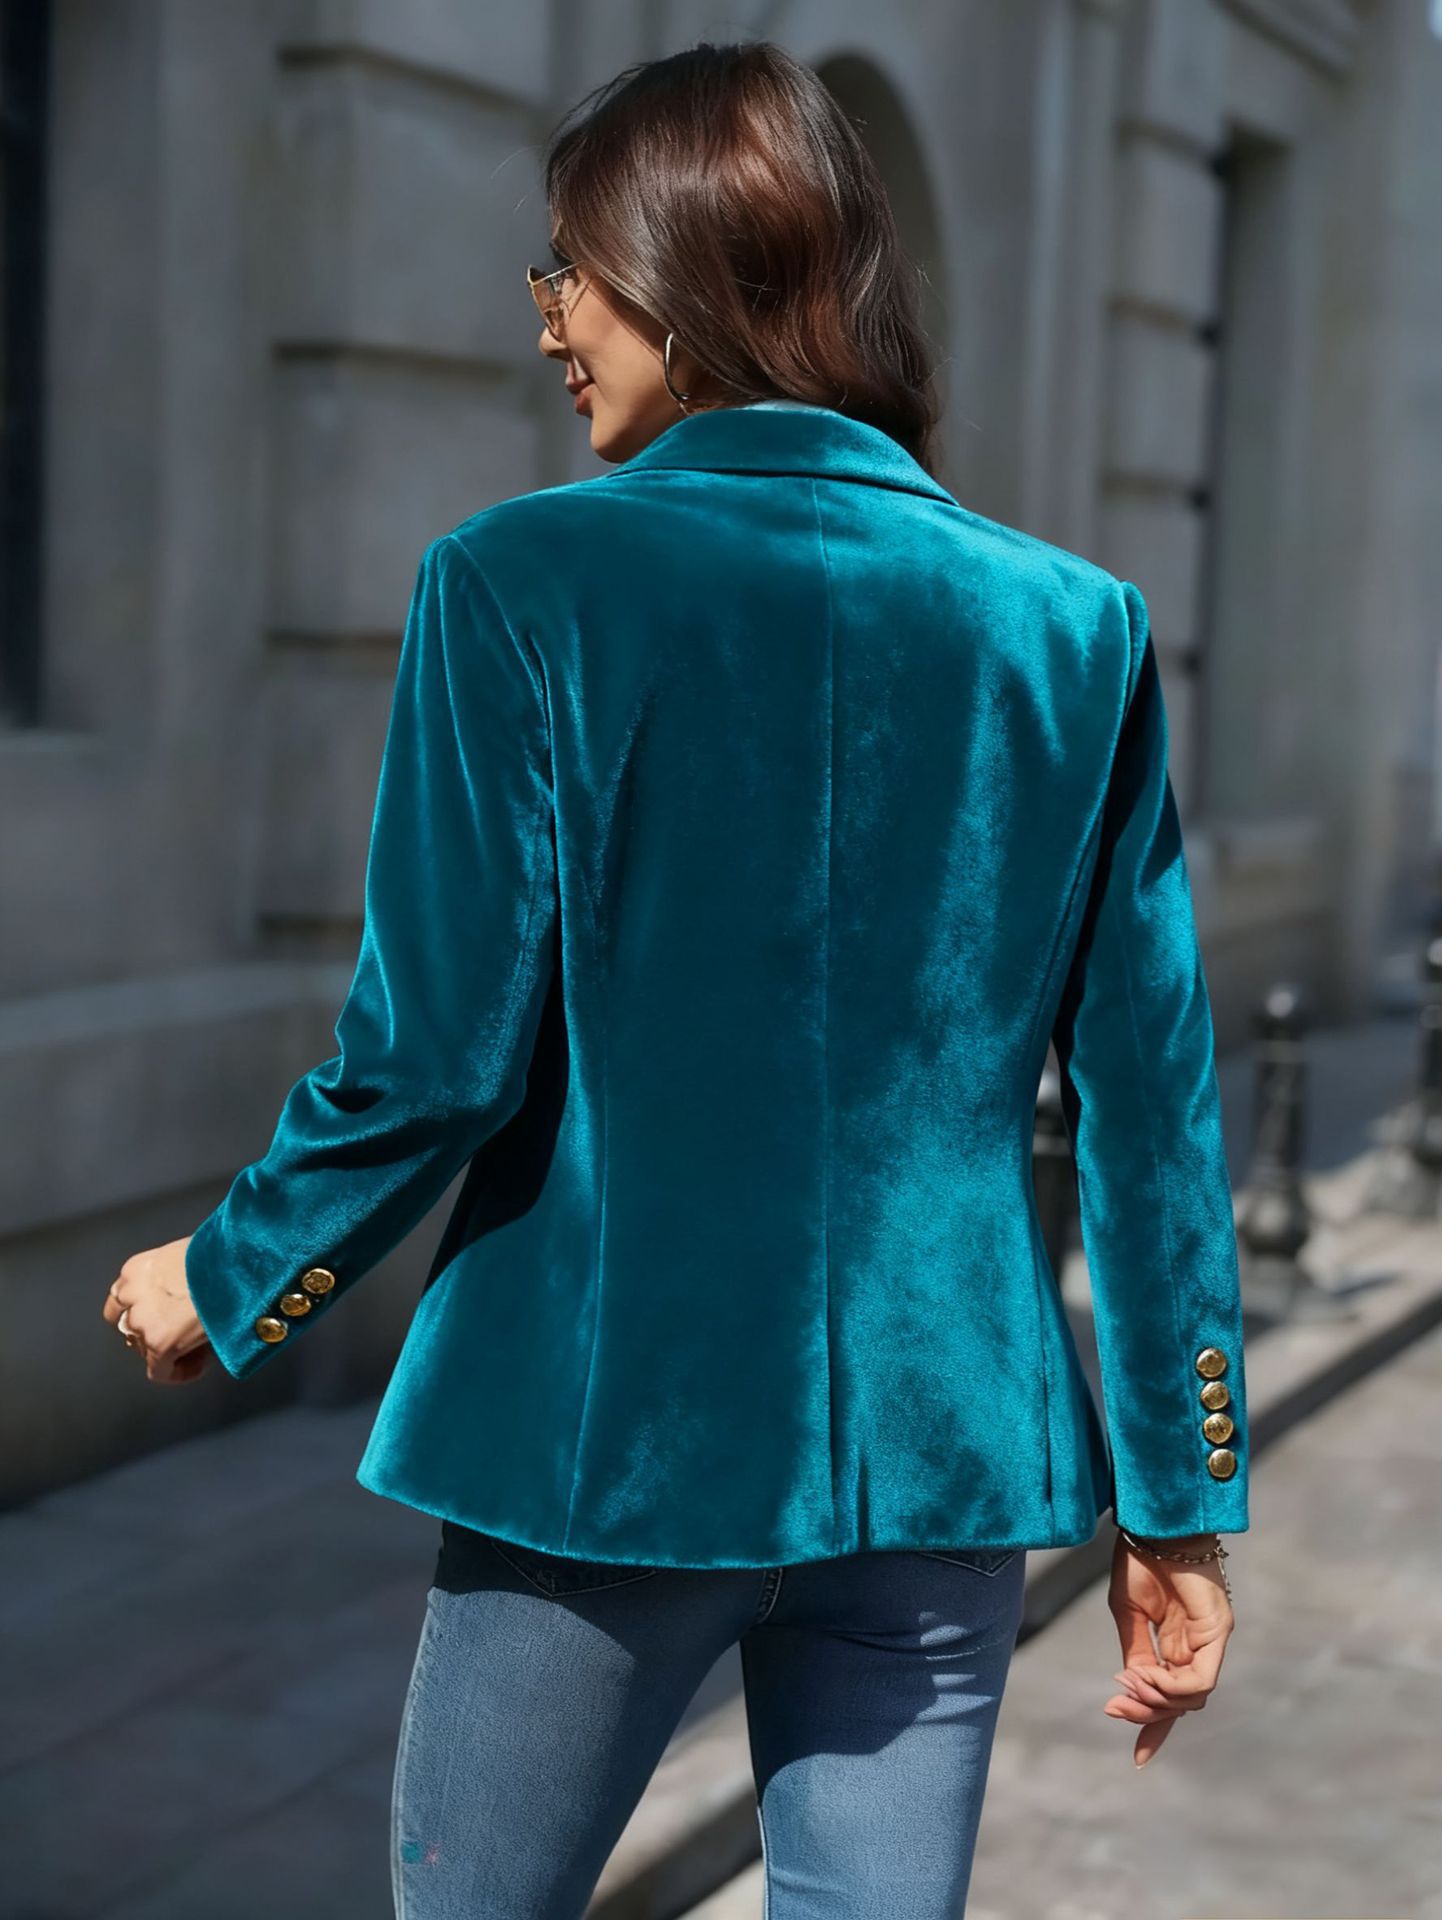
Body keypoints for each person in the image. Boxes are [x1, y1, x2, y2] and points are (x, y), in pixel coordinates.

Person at [103, 38, 1248, 1920]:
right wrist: (1181, 1502)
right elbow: (1150, 1111)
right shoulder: (1072, 631)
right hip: (937, 1462)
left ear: (678, 269)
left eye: (568, 265)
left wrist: (235, 1275)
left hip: (603, 1442)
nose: (548, 317)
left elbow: (436, 1056)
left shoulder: (520, 585)